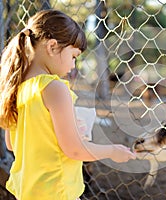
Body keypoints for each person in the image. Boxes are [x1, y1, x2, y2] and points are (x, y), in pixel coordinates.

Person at [0, 9, 136, 200]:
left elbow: (12, 144)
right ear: (53, 46)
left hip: (29, 191)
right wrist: (112, 151)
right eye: (73, 56)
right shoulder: (55, 88)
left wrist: (58, 131)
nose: (73, 65)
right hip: (57, 191)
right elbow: (74, 149)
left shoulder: (17, 87)